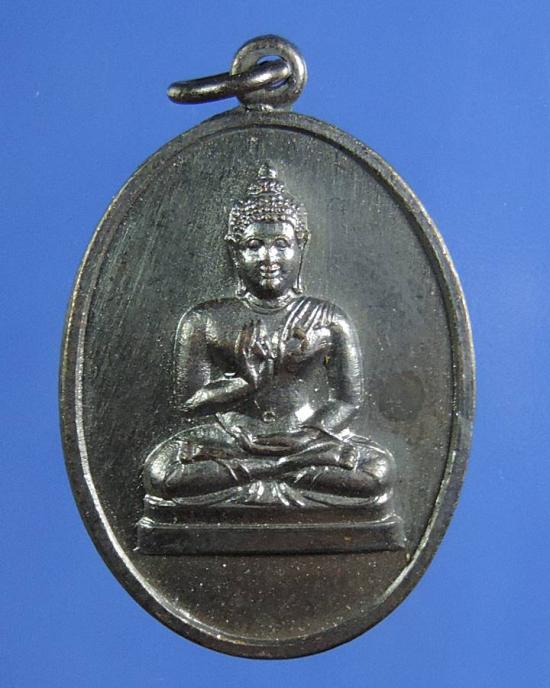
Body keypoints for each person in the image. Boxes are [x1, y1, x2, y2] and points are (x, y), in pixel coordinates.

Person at [143, 165, 396, 509]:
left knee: (378, 471)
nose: (268, 258)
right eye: (254, 246)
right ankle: (280, 473)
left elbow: (347, 400)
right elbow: (188, 403)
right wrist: (246, 382)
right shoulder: (204, 319)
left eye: (281, 244)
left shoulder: (328, 317)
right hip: (231, 438)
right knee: (162, 472)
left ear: (301, 245)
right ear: (234, 251)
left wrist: (308, 435)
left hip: (306, 437)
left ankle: (261, 477)